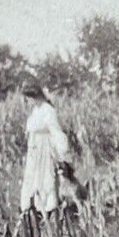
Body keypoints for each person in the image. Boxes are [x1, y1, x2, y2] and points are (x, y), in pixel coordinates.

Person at [19, 82, 73, 219]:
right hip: (34, 149)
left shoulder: (48, 110)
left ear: (35, 97)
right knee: (32, 179)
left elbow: (56, 131)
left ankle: (49, 211)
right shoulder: (36, 110)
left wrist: (62, 151)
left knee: (45, 179)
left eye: (30, 98)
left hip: (44, 148)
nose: (28, 101)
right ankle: (34, 209)